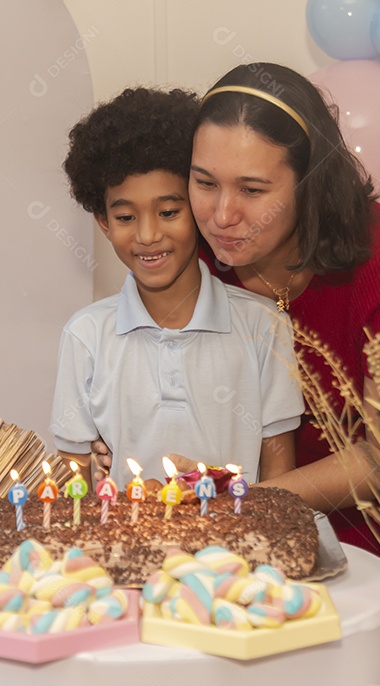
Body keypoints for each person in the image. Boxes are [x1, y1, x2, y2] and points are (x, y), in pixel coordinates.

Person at [95, 64, 380, 681]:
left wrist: (245, 507)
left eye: (253, 191)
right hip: (271, 463)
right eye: (204, 182)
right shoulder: (195, 251)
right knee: (224, 624)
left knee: (359, 639)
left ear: (309, 185)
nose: (221, 214)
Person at [51, 86, 304, 491]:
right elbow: (74, 484)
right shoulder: (86, 337)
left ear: (196, 204)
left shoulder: (264, 327)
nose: (148, 235)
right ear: (103, 221)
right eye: (126, 216)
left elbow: (281, 480)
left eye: (168, 212)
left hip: (232, 552)